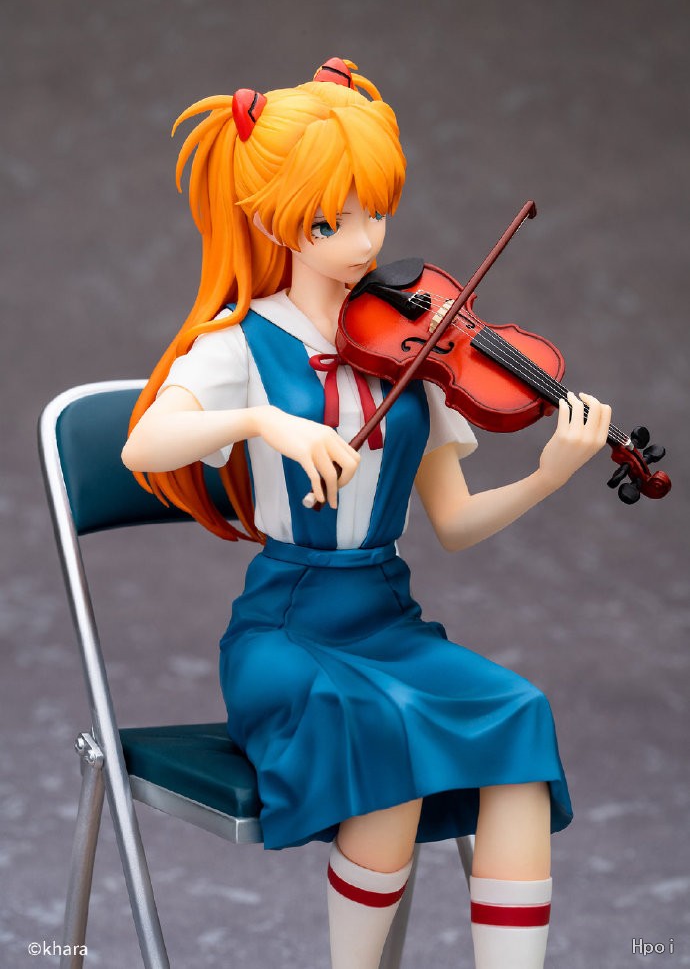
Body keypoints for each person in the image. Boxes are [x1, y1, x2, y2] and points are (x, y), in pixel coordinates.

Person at [122, 57, 611, 969]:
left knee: (518, 719)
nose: (362, 242)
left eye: (374, 214)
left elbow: (454, 523)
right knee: (380, 727)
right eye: (329, 221)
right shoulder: (242, 343)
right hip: (287, 628)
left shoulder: (409, 341)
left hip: (387, 618)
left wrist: (549, 475)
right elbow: (144, 446)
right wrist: (261, 420)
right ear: (272, 217)